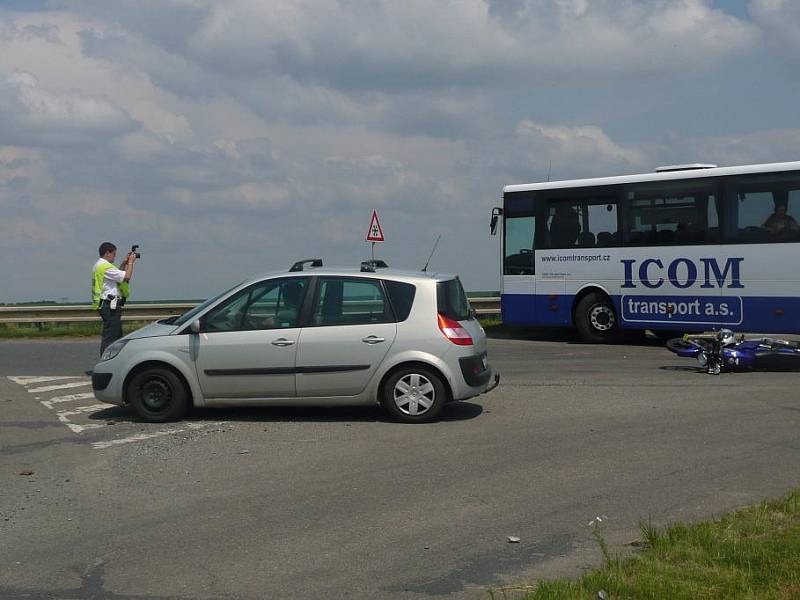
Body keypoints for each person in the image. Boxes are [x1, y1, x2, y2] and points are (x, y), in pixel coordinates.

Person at [92, 242, 137, 354]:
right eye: (114, 254)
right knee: (110, 338)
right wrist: (131, 263)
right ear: (107, 253)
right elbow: (126, 276)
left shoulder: (100, 265)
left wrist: (125, 262)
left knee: (116, 336)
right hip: (109, 305)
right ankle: (105, 363)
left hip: (107, 304)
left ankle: (114, 362)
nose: (114, 256)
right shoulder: (105, 266)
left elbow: (118, 274)